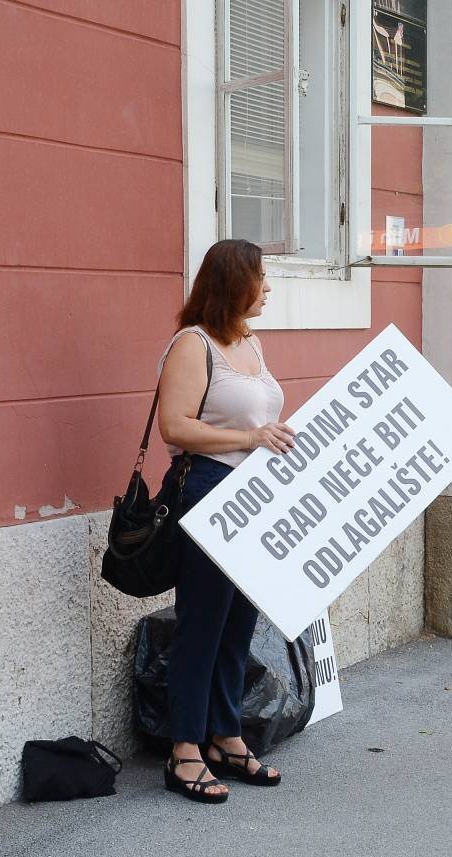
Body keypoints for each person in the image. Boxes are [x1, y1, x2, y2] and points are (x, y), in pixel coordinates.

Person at [156, 239, 293, 802]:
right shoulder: (194, 344)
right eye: (260, 278)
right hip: (209, 492)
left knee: (238, 622)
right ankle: (184, 749)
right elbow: (175, 427)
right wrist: (249, 438)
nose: (267, 289)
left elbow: (263, 418)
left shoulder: (252, 344)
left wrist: (276, 441)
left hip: (256, 497)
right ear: (234, 282)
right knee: (203, 623)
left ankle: (225, 734)